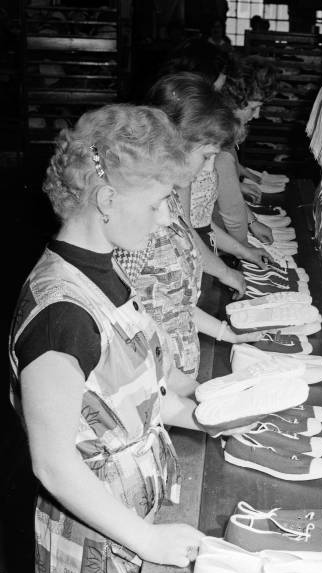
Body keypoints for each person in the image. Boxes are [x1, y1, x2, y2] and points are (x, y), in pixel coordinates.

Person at [9, 105, 206, 573]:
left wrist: (207, 416)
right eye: (161, 202)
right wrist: (150, 542)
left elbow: (129, 396)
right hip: (94, 537)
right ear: (107, 199)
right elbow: (53, 464)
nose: (167, 219)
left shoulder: (108, 272)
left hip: (134, 520)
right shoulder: (62, 314)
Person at [115, 73, 267, 378]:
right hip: (154, 383)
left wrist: (227, 333)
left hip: (174, 378)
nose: (205, 170)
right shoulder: (136, 225)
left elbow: (173, 310)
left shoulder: (167, 203)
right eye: (207, 156)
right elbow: (128, 324)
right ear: (176, 144)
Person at [215, 58, 278, 245]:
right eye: (253, 108)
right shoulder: (212, 139)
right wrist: (243, 247)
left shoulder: (225, 131)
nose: (257, 115)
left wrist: (251, 221)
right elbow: (227, 209)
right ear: (234, 102)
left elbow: (228, 190)